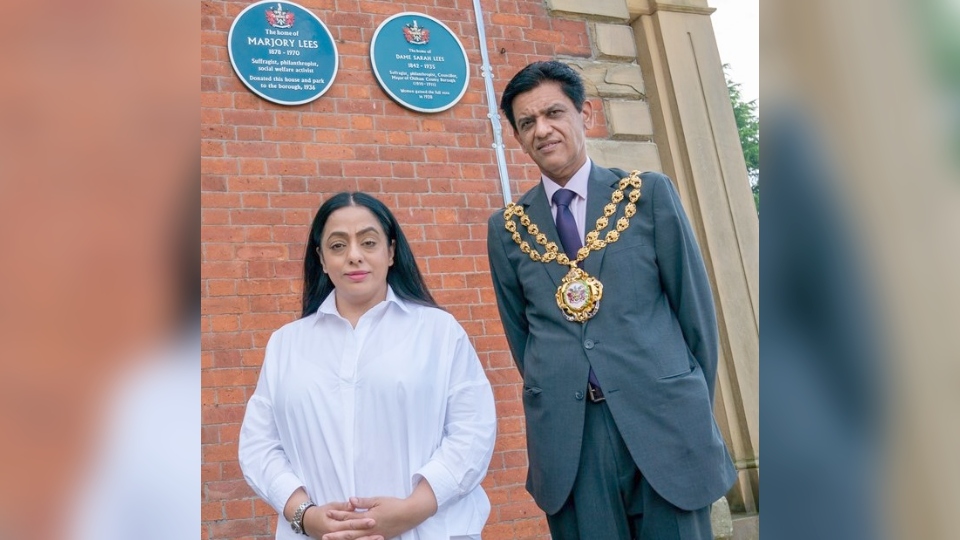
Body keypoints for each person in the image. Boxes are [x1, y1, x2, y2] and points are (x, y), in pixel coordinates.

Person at [486, 60, 736, 539]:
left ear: (586, 115)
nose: (543, 130)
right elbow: (524, 339)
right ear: (516, 137)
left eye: (554, 113)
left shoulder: (647, 196)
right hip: (574, 438)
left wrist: (683, 405)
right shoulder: (508, 230)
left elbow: (696, 316)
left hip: (663, 421)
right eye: (527, 123)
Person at [240, 192, 497, 540]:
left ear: (391, 252)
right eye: (337, 246)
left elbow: (473, 431)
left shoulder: (438, 331)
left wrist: (412, 510)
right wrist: (305, 514)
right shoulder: (287, 345)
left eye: (369, 242)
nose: (354, 256)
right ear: (321, 258)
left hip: (427, 530)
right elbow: (259, 446)